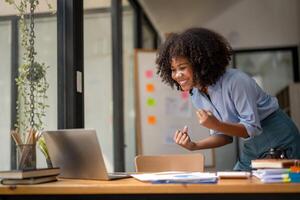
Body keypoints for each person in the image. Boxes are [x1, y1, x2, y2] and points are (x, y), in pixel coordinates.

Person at [155, 27, 300, 171]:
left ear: (199, 63)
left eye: (182, 67)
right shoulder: (197, 94)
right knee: (236, 188)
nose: (177, 75)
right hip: (252, 145)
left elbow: (251, 128)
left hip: (280, 139)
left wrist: (216, 124)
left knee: (270, 191)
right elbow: (224, 136)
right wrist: (194, 146)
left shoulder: (236, 81)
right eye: (173, 70)